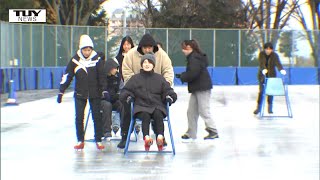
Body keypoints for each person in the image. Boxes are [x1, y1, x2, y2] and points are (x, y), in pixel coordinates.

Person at [117, 33, 174, 149]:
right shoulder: (131, 55)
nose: (148, 49)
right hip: (137, 93)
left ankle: (160, 136)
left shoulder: (162, 55)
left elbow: (168, 71)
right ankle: (125, 136)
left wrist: (164, 86)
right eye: (145, 47)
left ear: (154, 47)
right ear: (140, 48)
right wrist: (137, 86)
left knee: (158, 111)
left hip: (156, 93)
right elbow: (126, 71)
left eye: (150, 47)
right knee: (127, 108)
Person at [57, 34, 108, 150]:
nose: (87, 52)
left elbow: (102, 76)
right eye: (85, 50)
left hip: (95, 93)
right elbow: (67, 76)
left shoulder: (97, 59)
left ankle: (98, 139)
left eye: (89, 50)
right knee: (79, 117)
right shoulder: (75, 60)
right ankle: (80, 140)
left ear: (92, 49)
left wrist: (104, 89)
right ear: (81, 49)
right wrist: (61, 91)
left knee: (97, 116)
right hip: (80, 93)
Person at [175, 39, 219, 140]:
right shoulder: (193, 57)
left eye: (184, 48)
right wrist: (183, 75)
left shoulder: (194, 58)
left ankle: (213, 130)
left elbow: (193, 73)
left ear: (189, 48)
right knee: (191, 111)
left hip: (202, 88)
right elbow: (193, 72)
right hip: (197, 88)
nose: (182, 51)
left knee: (204, 110)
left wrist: (183, 76)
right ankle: (191, 132)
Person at [253, 42, 286, 114]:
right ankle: (258, 108)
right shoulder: (261, 54)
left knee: (270, 92)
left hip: (271, 76)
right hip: (262, 76)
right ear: (264, 49)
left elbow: (278, 64)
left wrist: (281, 70)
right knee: (261, 92)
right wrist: (264, 69)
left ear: (272, 50)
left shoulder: (275, 55)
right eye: (266, 49)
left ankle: (270, 108)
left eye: (269, 49)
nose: (268, 50)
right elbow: (261, 63)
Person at [100, 58, 124, 138]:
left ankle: (124, 130)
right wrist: (103, 94)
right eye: (114, 68)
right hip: (103, 100)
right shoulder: (102, 77)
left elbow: (122, 89)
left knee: (123, 105)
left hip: (114, 99)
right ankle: (106, 131)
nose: (116, 70)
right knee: (107, 105)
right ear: (109, 69)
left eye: (117, 68)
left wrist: (119, 95)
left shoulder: (118, 76)